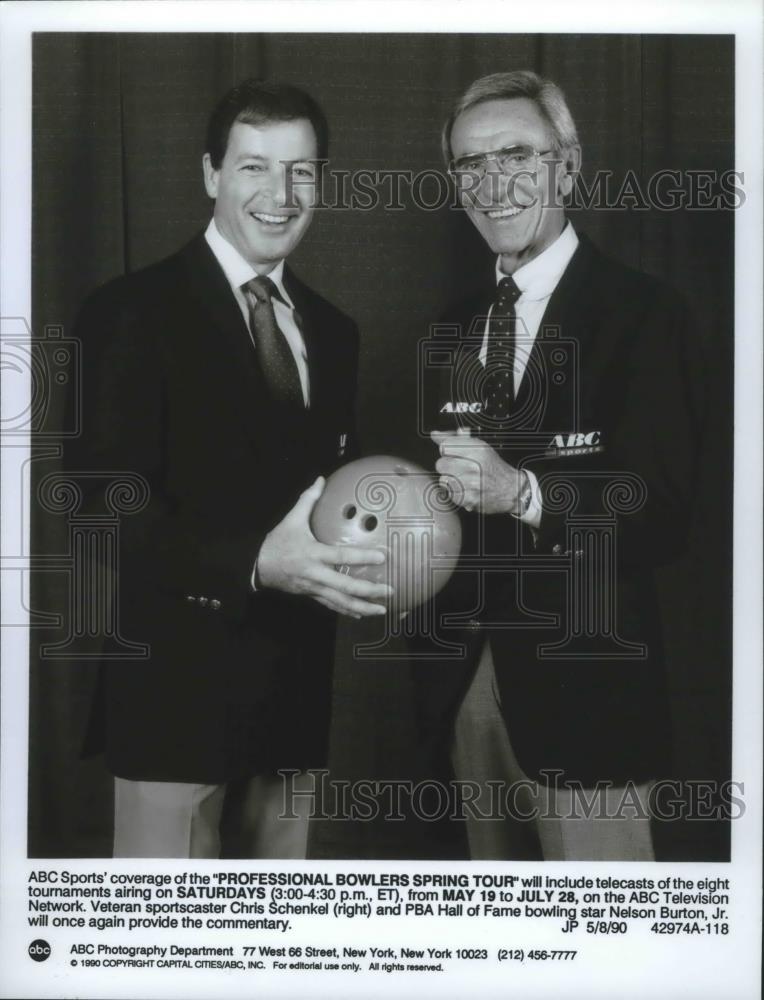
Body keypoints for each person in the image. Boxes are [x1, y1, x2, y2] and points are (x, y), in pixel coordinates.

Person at [66, 79, 391, 859]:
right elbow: (99, 508)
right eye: (254, 167)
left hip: (292, 714)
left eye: (302, 171)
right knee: (166, 963)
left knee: (273, 961)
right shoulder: (128, 313)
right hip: (173, 712)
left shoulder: (336, 333)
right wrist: (251, 561)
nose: (280, 194)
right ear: (211, 174)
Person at [413, 70, 703, 860]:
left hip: (589, 694)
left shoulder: (644, 314)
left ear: (567, 167)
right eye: (470, 165)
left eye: (516, 154)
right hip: (463, 686)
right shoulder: (450, 328)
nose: (493, 182)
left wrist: (524, 491)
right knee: (502, 946)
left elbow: (665, 509)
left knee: (604, 950)